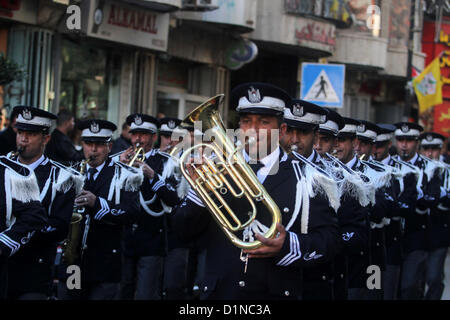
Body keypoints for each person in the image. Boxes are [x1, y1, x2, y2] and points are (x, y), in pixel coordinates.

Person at [173, 82, 340, 300]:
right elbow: (181, 232)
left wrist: (288, 245)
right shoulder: (216, 170)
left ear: (281, 131)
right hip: (220, 293)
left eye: (263, 122)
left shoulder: (309, 178)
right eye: (246, 121)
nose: (253, 130)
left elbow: (331, 240)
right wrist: (200, 191)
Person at [57, 119, 142, 300]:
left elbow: (132, 213)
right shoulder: (70, 174)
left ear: (110, 147)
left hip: (106, 264)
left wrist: (97, 203)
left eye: (99, 145)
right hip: (74, 263)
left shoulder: (126, 175)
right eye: (88, 144)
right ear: (82, 145)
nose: (93, 150)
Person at [5, 106, 81, 300]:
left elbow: (59, 227)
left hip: (34, 270)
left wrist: (18, 233)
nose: (23, 138)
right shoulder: (4, 168)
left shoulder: (62, 177)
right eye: (20, 132)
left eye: (30, 134)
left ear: (46, 139)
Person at [279, 99, 341, 300]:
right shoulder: (266, 169)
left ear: (315, 136)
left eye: (303, 133)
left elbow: (334, 238)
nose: (294, 140)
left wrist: (290, 245)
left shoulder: (331, 176)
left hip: (312, 279)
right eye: (290, 131)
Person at [119, 114, 181, 300]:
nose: (138, 139)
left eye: (144, 134)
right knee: (123, 291)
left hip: (152, 239)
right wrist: (119, 168)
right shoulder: (120, 159)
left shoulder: (166, 162)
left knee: (146, 294)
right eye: (135, 134)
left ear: (154, 137)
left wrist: (153, 176)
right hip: (125, 238)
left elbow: (173, 199)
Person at [394, 122, 439, 300]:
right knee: (390, 287)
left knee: (409, 286)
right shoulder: (388, 164)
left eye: (409, 140)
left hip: (416, 235)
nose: (404, 144)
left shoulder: (428, 168)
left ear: (416, 142)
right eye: (400, 139)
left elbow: (433, 197)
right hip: (391, 236)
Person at [373, 123, 415, 300]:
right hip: (370, 245)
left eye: (380, 145)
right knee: (371, 291)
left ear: (389, 145)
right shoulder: (362, 169)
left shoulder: (403, 171)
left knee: (390, 292)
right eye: (372, 145)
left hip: (391, 243)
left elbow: (404, 206)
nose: (375, 150)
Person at [332, 117, 373, 300]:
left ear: (354, 142)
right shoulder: (325, 171)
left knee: (374, 294)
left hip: (367, 260)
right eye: (333, 140)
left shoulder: (370, 174)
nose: (336, 145)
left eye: (341, 140)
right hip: (331, 264)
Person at [419, 132, 449, 300]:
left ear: (441, 149)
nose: (429, 153)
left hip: (439, 230)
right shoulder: (416, 169)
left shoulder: (447, 170)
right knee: (415, 279)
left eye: (434, 149)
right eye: (426, 149)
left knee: (434, 277)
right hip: (417, 231)